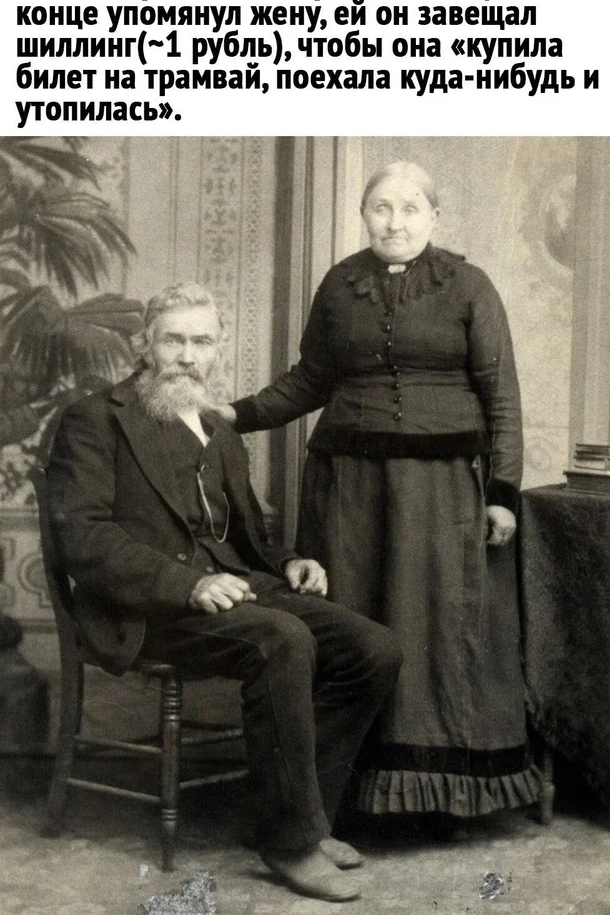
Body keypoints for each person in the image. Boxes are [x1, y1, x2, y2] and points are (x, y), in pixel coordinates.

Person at [46, 283, 402, 903]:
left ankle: (304, 817)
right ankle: (290, 842)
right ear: (145, 345)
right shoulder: (95, 419)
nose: (187, 356)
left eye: (201, 342)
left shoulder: (217, 427)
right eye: (173, 340)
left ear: (218, 350)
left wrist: (290, 563)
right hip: (146, 608)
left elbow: (246, 536)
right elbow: (84, 539)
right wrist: (189, 584)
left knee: (374, 648)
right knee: (282, 639)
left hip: (233, 590)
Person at [222, 160, 541, 820]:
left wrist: (502, 491)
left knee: (436, 631)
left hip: (440, 494)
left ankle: (439, 793)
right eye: (380, 208)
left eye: (409, 208)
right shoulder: (340, 284)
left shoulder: (470, 286)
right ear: (363, 214)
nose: (394, 222)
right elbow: (309, 381)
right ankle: (340, 795)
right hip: (348, 490)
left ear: (433, 216)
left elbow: (501, 396)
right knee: (355, 623)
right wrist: (235, 414)